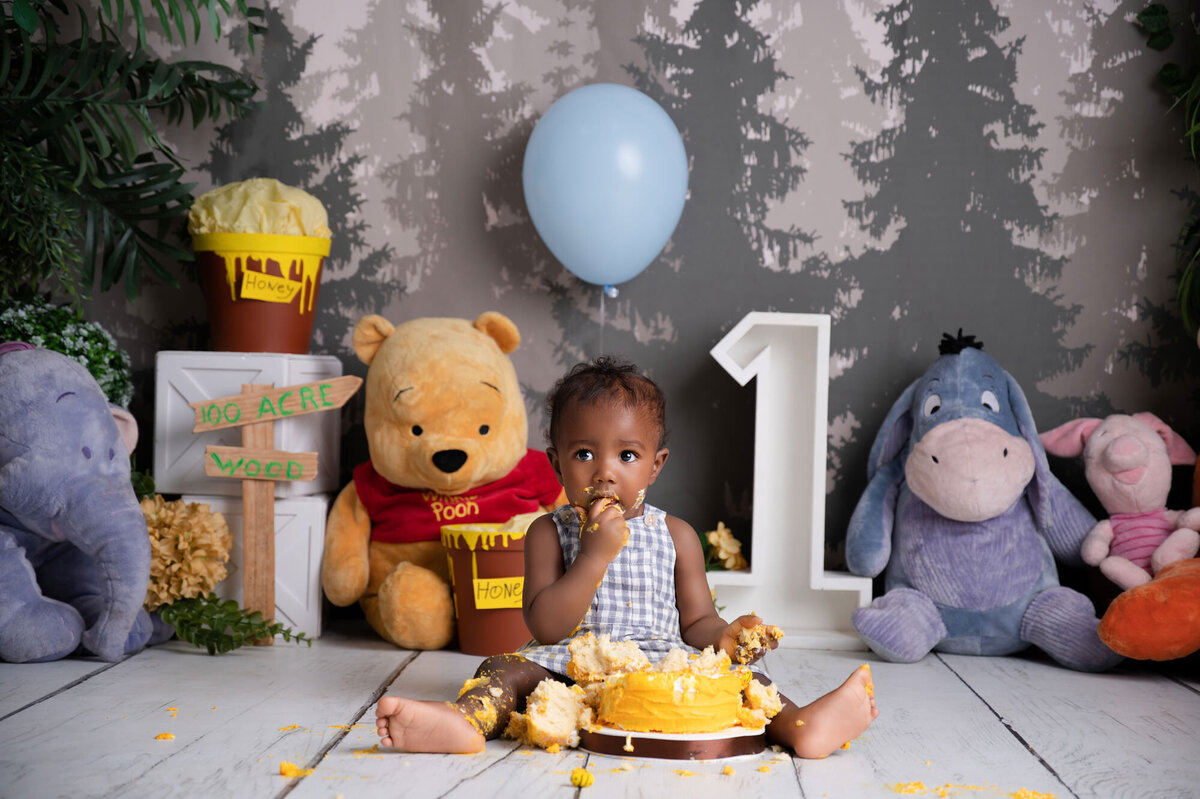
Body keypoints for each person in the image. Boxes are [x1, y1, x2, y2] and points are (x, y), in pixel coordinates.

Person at [376, 356, 877, 759]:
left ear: (656, 465)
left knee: (746, 682)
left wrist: (725, 637)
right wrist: (593, 557)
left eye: (628, 455)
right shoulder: (548, 532)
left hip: (662, 664)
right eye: (584, 454)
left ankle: (802, 725)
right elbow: (547, 628)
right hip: (567, 666)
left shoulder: (676, 535)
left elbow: (697, 620)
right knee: (505, 669)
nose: (605, 472)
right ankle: (464, 722)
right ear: (556, 463)